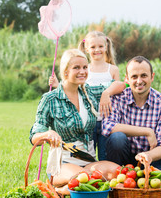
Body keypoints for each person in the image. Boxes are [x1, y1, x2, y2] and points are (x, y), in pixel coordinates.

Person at [30, 49, 125, 194]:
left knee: (120, 174)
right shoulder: (50, 99)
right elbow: (34, 136)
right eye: (76, 68)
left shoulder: (90, 92)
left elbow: (120, 84)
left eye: (85, 67)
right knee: (85, 179)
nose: (82, 71)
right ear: (66, 71)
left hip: (89, 162)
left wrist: (106, 93)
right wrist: (47, 133)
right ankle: (59, 190)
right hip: (63, 165)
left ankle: (69, 189)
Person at [102, 56, 161, 194]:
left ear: (152, 76)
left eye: (144, 75)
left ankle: (138, 189)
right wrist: (146, 131)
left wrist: (147, 156)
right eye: (134, 76)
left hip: (151, 160)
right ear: (127, 79)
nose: (139, 81)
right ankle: (118, 187)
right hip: (122, 159)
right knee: (117, 138)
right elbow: (108, 127)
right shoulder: (118, 98)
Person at [50, 31, 120, 161]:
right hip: (88, 122)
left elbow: (119, 87)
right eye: (93, 47)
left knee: (105, 157)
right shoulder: (84, 69)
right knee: (88, 156)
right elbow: (72, 89)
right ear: (86, 48)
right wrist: (57, 85)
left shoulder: (113, 70)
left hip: (106, 120)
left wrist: (107, 93)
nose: (97, 50)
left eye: (100, 46)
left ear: (106, 46)